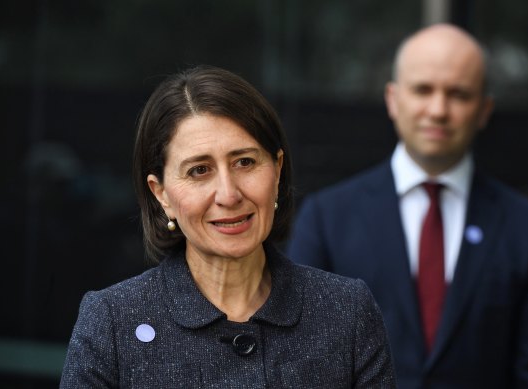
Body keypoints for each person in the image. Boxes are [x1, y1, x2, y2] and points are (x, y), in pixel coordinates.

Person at [60, 65, 396, 388]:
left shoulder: (347, 313)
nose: (229, 194)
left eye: (245, 162)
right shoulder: (111, 322)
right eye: (199, 170)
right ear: (160, 192)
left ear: (277, 171)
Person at [287, 24, 528, 388]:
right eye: (423, 90)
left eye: (458, 94)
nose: (438, 110)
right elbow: (301, 363)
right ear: (392, 99)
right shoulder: (326, 218)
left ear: (484, 110)